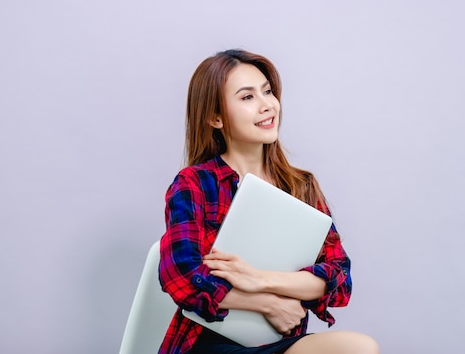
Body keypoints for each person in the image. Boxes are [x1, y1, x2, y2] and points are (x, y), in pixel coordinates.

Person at [158, 49, 379, 354]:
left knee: (359, 347)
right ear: (216, 117)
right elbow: (181, 276)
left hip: (276, 341)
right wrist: (268, 304)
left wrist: (257, 279)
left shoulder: (302, 186)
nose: (267, 105)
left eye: (268, 92)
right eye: (247, 97)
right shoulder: (195, 183)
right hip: (208, 343)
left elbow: (338, 278)